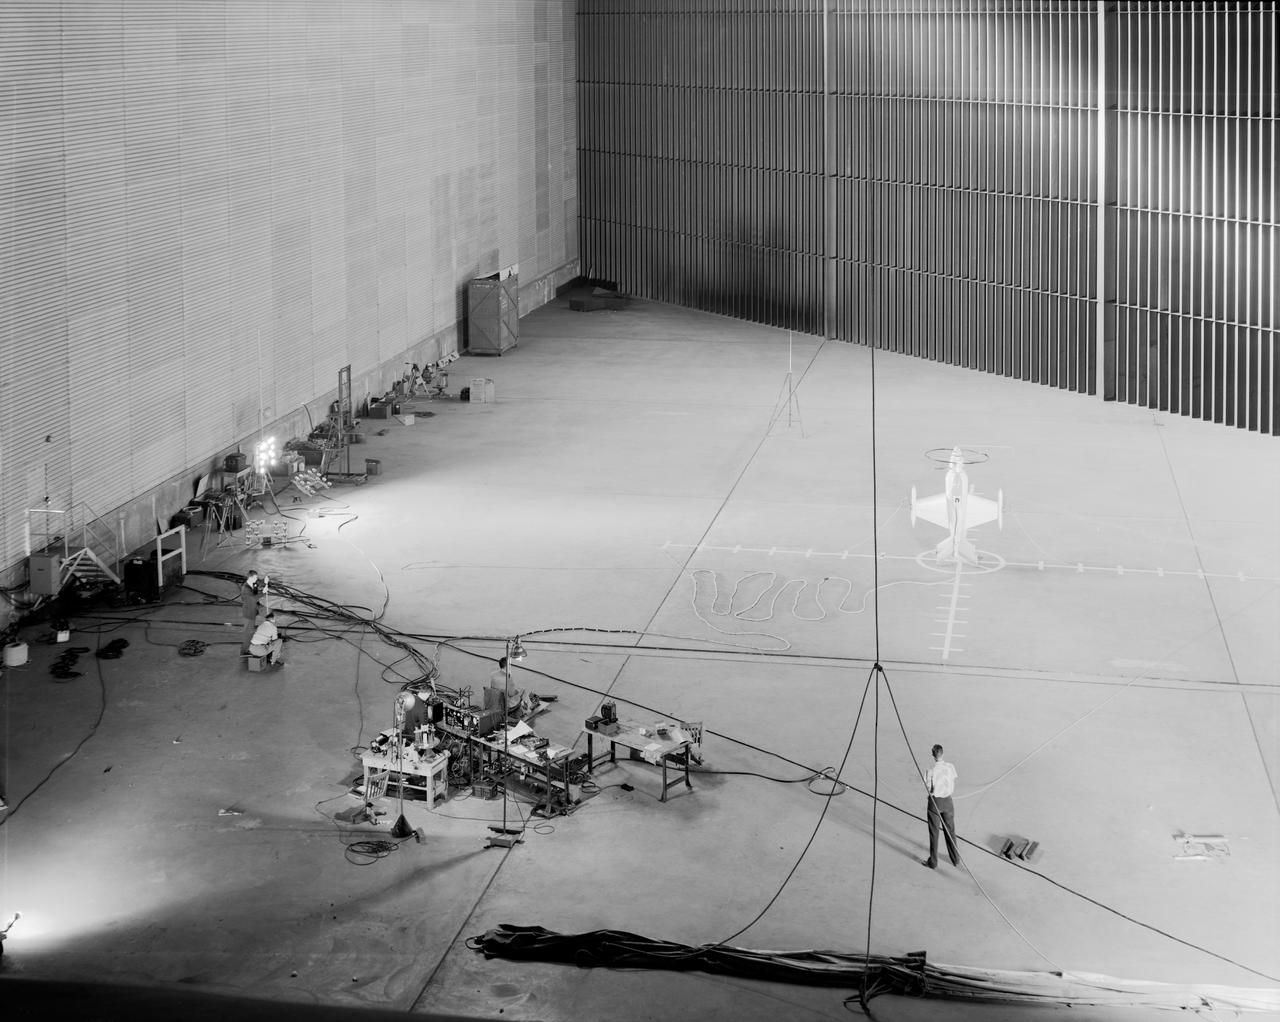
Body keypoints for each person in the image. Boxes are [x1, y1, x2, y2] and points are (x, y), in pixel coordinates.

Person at [922, 743, 961, 869]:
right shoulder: (950, 767)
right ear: (942, 753)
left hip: (935, 803)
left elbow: (928, 788)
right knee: (950, 831)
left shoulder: (930, 771)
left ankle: (933, 862)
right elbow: (953, 778)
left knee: (934, 833)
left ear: (933, 755)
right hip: (948, 802)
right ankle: (955, 859)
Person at [240, 570, 264, 653]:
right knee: (248, 633)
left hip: (252, 611)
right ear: (251, 577)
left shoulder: (252, 584)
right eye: (256, 577)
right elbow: (253, 599)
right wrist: (263, 593)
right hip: (248, 613)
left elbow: (258, 586)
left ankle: (247, 648)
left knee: (250, 631)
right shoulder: (245, 588)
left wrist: (265, 580)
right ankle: (245, 651)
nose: (257, 579)